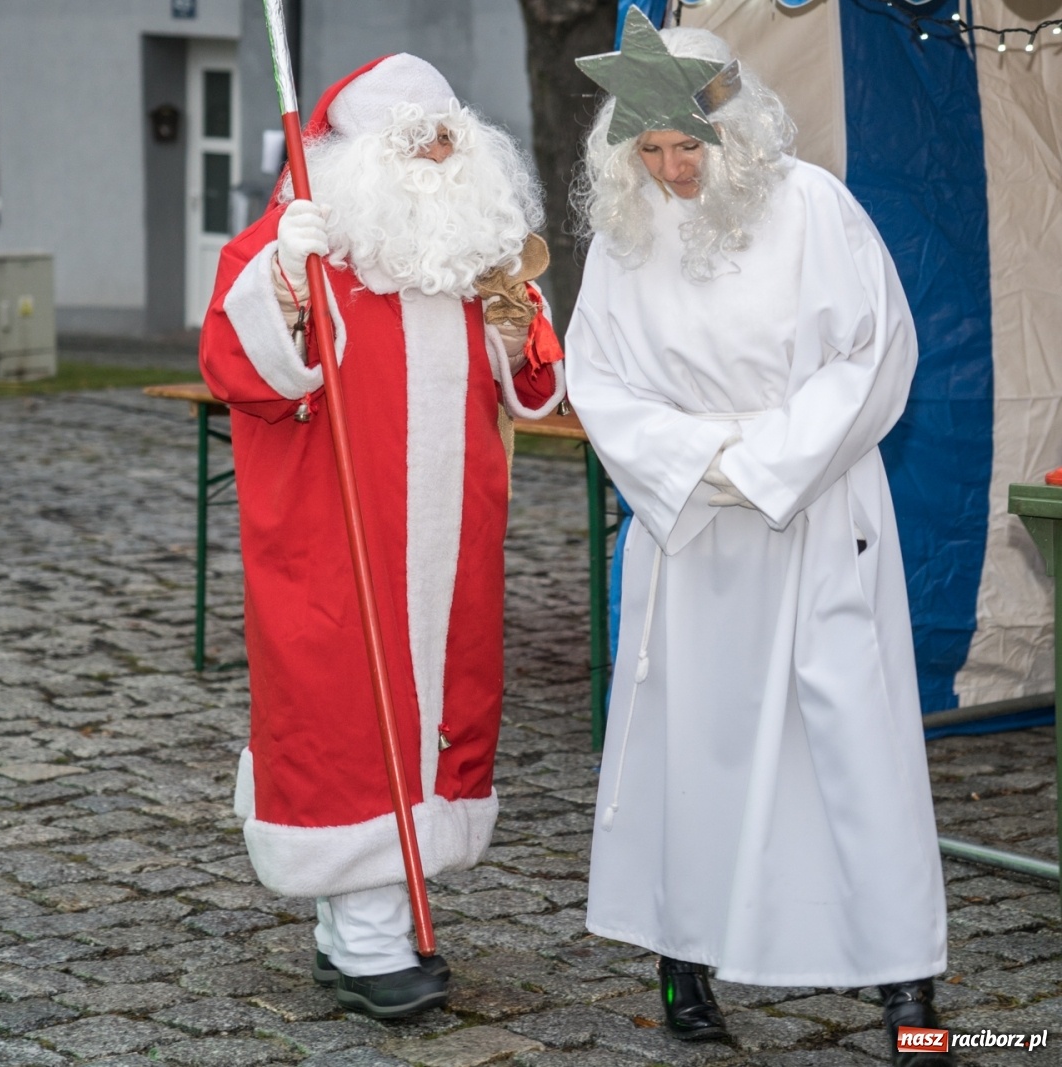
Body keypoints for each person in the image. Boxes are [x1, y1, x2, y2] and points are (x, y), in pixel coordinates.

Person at [565, 13, 947, 1063]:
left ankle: (905, 980)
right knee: (697, 742)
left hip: (815, 511)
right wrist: (696, 466)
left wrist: (768, 461)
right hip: (693, 532)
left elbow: (874, 354)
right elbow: (597, 378)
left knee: (853, 741)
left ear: (732, 126)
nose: (671, 168)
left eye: (687, 145)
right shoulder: (625, 235)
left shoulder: (815, 207)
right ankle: (683, 959)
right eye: (647, 150)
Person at [199, 53, 564, 1019]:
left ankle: (350, 928)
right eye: (413, 143)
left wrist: (517, 321)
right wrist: (281, 274)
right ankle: (368, 939)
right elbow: (239, 367)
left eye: (447, 139)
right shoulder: (303, 248)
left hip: (452, 545)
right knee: (348, 719)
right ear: (357, 157)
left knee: (433, 713)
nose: (435, 159)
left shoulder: (476, 254)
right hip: (339, 539)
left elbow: (534, 389)